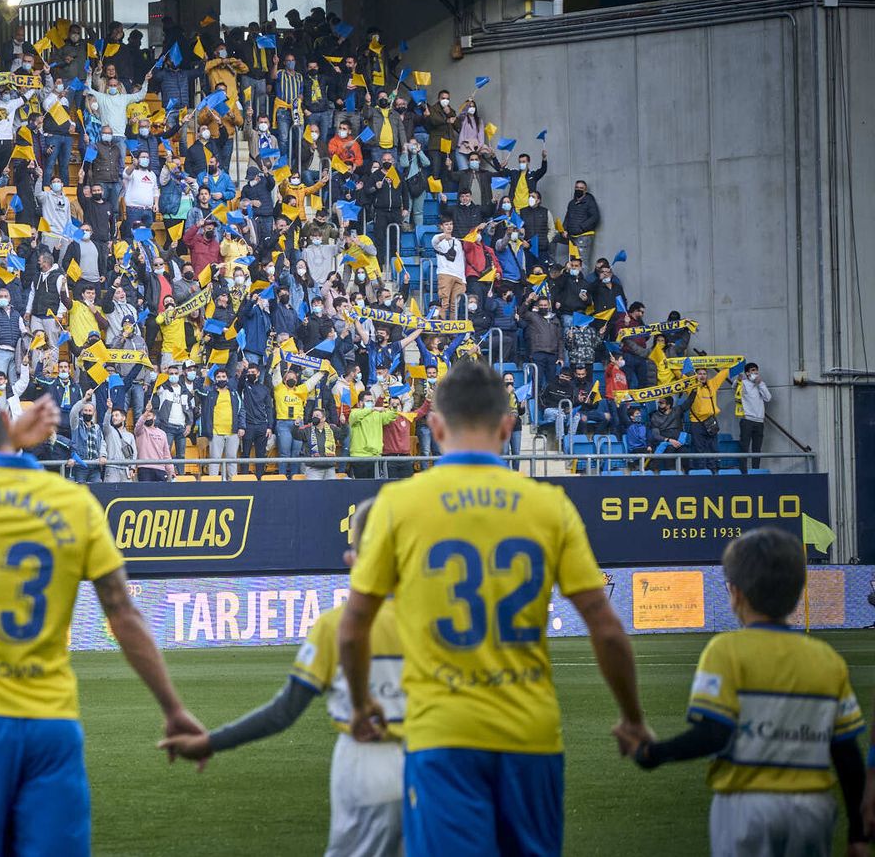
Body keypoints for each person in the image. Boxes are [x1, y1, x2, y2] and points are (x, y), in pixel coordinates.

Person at [337, 360, 647, 857]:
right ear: (508, 427)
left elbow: (352, 631)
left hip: (442, 736)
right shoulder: (550, 505)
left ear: (435, 427)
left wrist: (360, 706)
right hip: (531, 737)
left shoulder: (398, 504)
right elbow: (607, 630)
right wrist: (632, 718)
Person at [0, 382, 203, 855]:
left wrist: (9, 443)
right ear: (2, 422)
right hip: (51, 724)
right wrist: (172, 708)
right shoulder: (74, 503)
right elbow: (123, 614)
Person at [162, 498, 405, 857]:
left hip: (363, 766)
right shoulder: (437, 623)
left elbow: (283, 712)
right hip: (431, 766)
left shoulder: (335, 626)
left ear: (353, 557)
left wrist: (210, 742)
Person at [623, 528, 866, 856]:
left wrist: (651, 754)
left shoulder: (725, 651)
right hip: (814, 810)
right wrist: (857, 831)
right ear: (797, 593)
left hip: (746, 807)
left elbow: (714, 734)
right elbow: (847, 754)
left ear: (735, 593)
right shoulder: (829, 660)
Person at [734, 362, 771, 471]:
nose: (755, 372)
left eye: (756, 370)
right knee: (744, 447)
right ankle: (743, 472)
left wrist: (760, 384)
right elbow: (735, 387)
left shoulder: (761, 383)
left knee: (757, 448)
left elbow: (768, 398)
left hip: (759, 421)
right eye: (752, 370)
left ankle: (755, 470)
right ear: (747, 373)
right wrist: (738, 380)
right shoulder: (744, 383)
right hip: (747, 420)